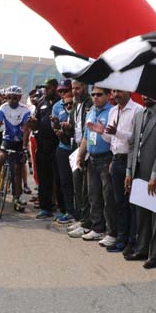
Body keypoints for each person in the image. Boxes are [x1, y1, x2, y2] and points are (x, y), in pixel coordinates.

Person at [123, 95, 156, 268]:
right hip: (138, 171)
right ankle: (142, 249)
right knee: (141, 213)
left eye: (150, 92)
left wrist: (154, 176)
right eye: (143, 93)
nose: (145, 96)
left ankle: (155, 254)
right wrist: (129, 171)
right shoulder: (139, 115)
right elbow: (132, 145)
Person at [101, 89, 142, 251]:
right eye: (114, 91)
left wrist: (116, 132)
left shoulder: (137, 110)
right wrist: (101, 131)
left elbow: (137, 138)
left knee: (130, 203)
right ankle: (121, 237)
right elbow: (110, 138)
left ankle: (130, 241)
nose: (116, 94)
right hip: (116, 160)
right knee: (119, 203)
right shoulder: (112, 111)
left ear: (128, 91)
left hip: (130, 161)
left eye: (119, 91)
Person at [70, 85, 113, 241]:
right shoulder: (91, 112)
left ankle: (111, 231)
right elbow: (86, 137)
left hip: (107, 158)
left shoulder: (112, 112)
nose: (95, 97)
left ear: (108, 96)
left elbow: (115, 140)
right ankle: (97, 227)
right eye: (93, 94)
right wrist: (80, 155)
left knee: (107, 197)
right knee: (93, 195)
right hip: (92, 158)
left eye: (99, 94)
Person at [0, 85, 31, 212]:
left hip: (19, 142)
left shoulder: (25, 110)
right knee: (1, 158)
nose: (11, 100)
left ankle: (16, 197)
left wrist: (25, 147)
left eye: (14, 98)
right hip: (6, 140)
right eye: (9, 97)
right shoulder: (3, 108)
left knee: (17, 170)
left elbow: (26, 130)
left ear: (19, 98)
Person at [32, 78, 62, 219]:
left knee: (59, 178)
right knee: (44, 178)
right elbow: (36, 122)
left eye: (48, 88)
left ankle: (63, 209)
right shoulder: (41, 103)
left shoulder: (61, 102)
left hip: (57, 145)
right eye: (45, 88)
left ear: (55, 87)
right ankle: (46, 208)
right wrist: (33, 123)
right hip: (42, 145)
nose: (46, 90)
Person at [66, 80, 92, 235]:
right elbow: (73, 127)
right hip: (75, 148)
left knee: (85, 189)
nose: (74, 91)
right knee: (77, 186)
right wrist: (66, 128)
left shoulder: (90, 103)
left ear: (85, 88)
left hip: (86, 150)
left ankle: (86, 222)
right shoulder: (75, 105)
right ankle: (81, 219)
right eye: (73, 88)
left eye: (77, 88)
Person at [51, 79, 76, 223]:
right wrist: (58, 130)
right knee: (65, 182)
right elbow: (54, 127)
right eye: (60, 91)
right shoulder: (56, 106)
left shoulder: (80, 105)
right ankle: (69, 211)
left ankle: (79, 213)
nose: (62, 94)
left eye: (65, 90)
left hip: (78, 149)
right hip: (63, 148)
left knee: (78, 184)